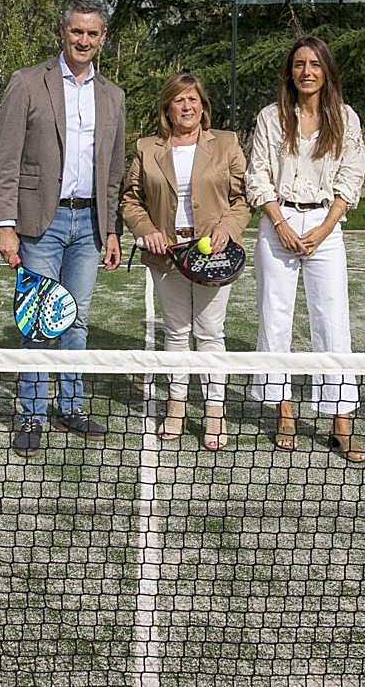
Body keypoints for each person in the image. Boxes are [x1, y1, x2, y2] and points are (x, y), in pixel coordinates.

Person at [0, 0, 126, 457]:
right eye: (76, 32)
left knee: (77, 322)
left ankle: (69, 406)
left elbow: (114, 173)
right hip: (39, 224)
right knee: (38, 323)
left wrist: (111, 230)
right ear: (61, 32)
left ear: (102, 38)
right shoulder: (27, 83)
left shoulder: (114, 96)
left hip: (89, 225)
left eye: (92, 33)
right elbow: (7, 161)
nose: (83, 40)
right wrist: (5, 225)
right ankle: (30, 412)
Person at [246, 35, 365, 462]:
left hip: (326, 227)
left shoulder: (347, 119)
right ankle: (284, 413)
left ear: (327, 71)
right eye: (299, 64)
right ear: (290, 72)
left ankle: (341, 422)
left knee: (332, 322)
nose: (307, 71)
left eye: (315, 64)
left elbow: (352, 177)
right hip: (276, 223)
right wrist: (279, 221)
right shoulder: (270, 117)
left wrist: (324, 226)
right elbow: (257, 175)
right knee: (275, 318)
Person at [120, 72, 251, 451]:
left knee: (210, 334)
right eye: (179, 100)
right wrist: (147, 230)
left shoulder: (226, 144)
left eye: (193, 99)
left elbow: (243, 199)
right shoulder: (147, 148)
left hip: (214, 256)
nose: (187, 106)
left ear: (203, 106)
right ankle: (176, 407)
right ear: (168, 107)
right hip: (168, 258)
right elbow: (131, 200)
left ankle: (214, 412)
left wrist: (227, 227)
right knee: (176, 333)